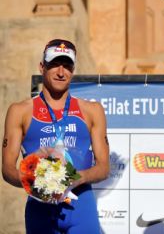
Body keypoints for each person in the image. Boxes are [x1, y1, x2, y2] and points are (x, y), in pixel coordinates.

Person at [2, 39, 110, 234]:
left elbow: (104, 168)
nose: (61, 72)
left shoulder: (92, 111)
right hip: (40, 212)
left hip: (81, 210)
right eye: (54, 65)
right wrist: (34, 181)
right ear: (42, 67)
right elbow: (7, 168)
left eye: (67, 66)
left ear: (73, 69)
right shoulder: (20, 111)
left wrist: (77, 178)